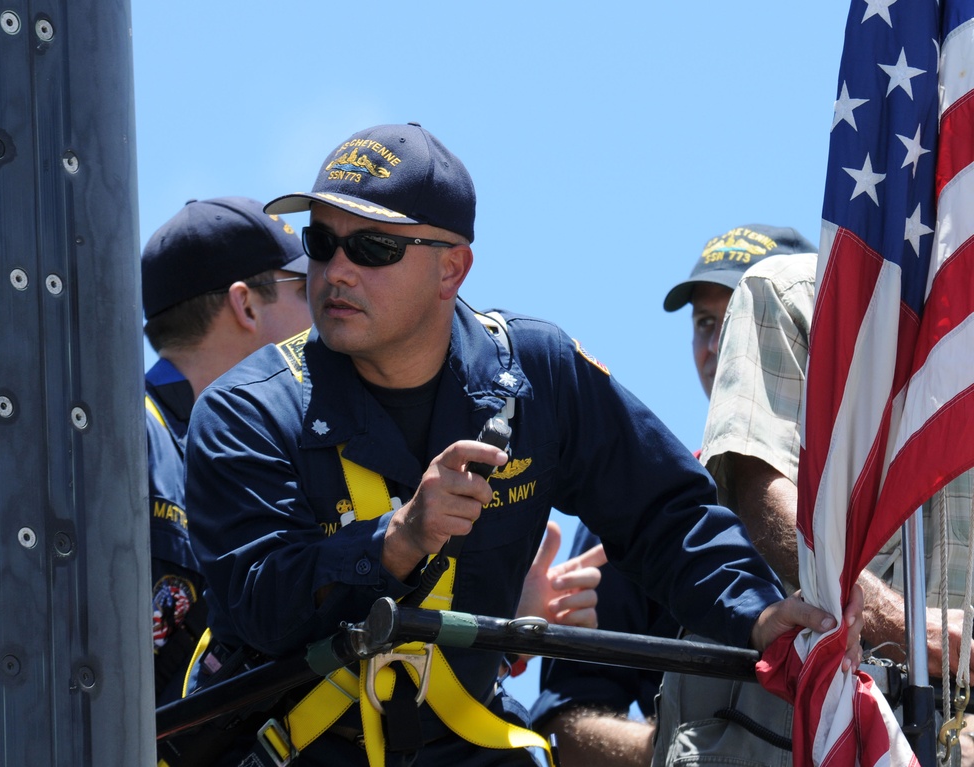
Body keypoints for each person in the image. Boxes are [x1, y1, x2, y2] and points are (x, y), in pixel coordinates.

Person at [182, 124, 861, 766]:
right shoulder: (247, 410)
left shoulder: (539, 373)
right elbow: (256, 602)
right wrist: (394, 540)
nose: (336, 271)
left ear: (452, 269)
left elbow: (664, 516)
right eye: (322, 242)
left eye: (373, 248)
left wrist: (758, 612)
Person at [653, 248, 974, 766]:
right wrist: (911, 630)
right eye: (704, 323)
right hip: (777, 727)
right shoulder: (789, 291)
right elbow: (761, 493)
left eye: (721, 320)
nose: (713, 344)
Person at [530, 225, 817, 766]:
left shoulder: (904, 499)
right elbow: (565, 731)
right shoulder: (650, 506)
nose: (714, 348)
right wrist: (688, 745)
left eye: (736, 323)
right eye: (705, 324)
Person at [142, 196, 310, 705]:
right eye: (304, 290)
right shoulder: (118, 439)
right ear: (247, 304)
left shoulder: (284, 460)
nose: (327, 312)